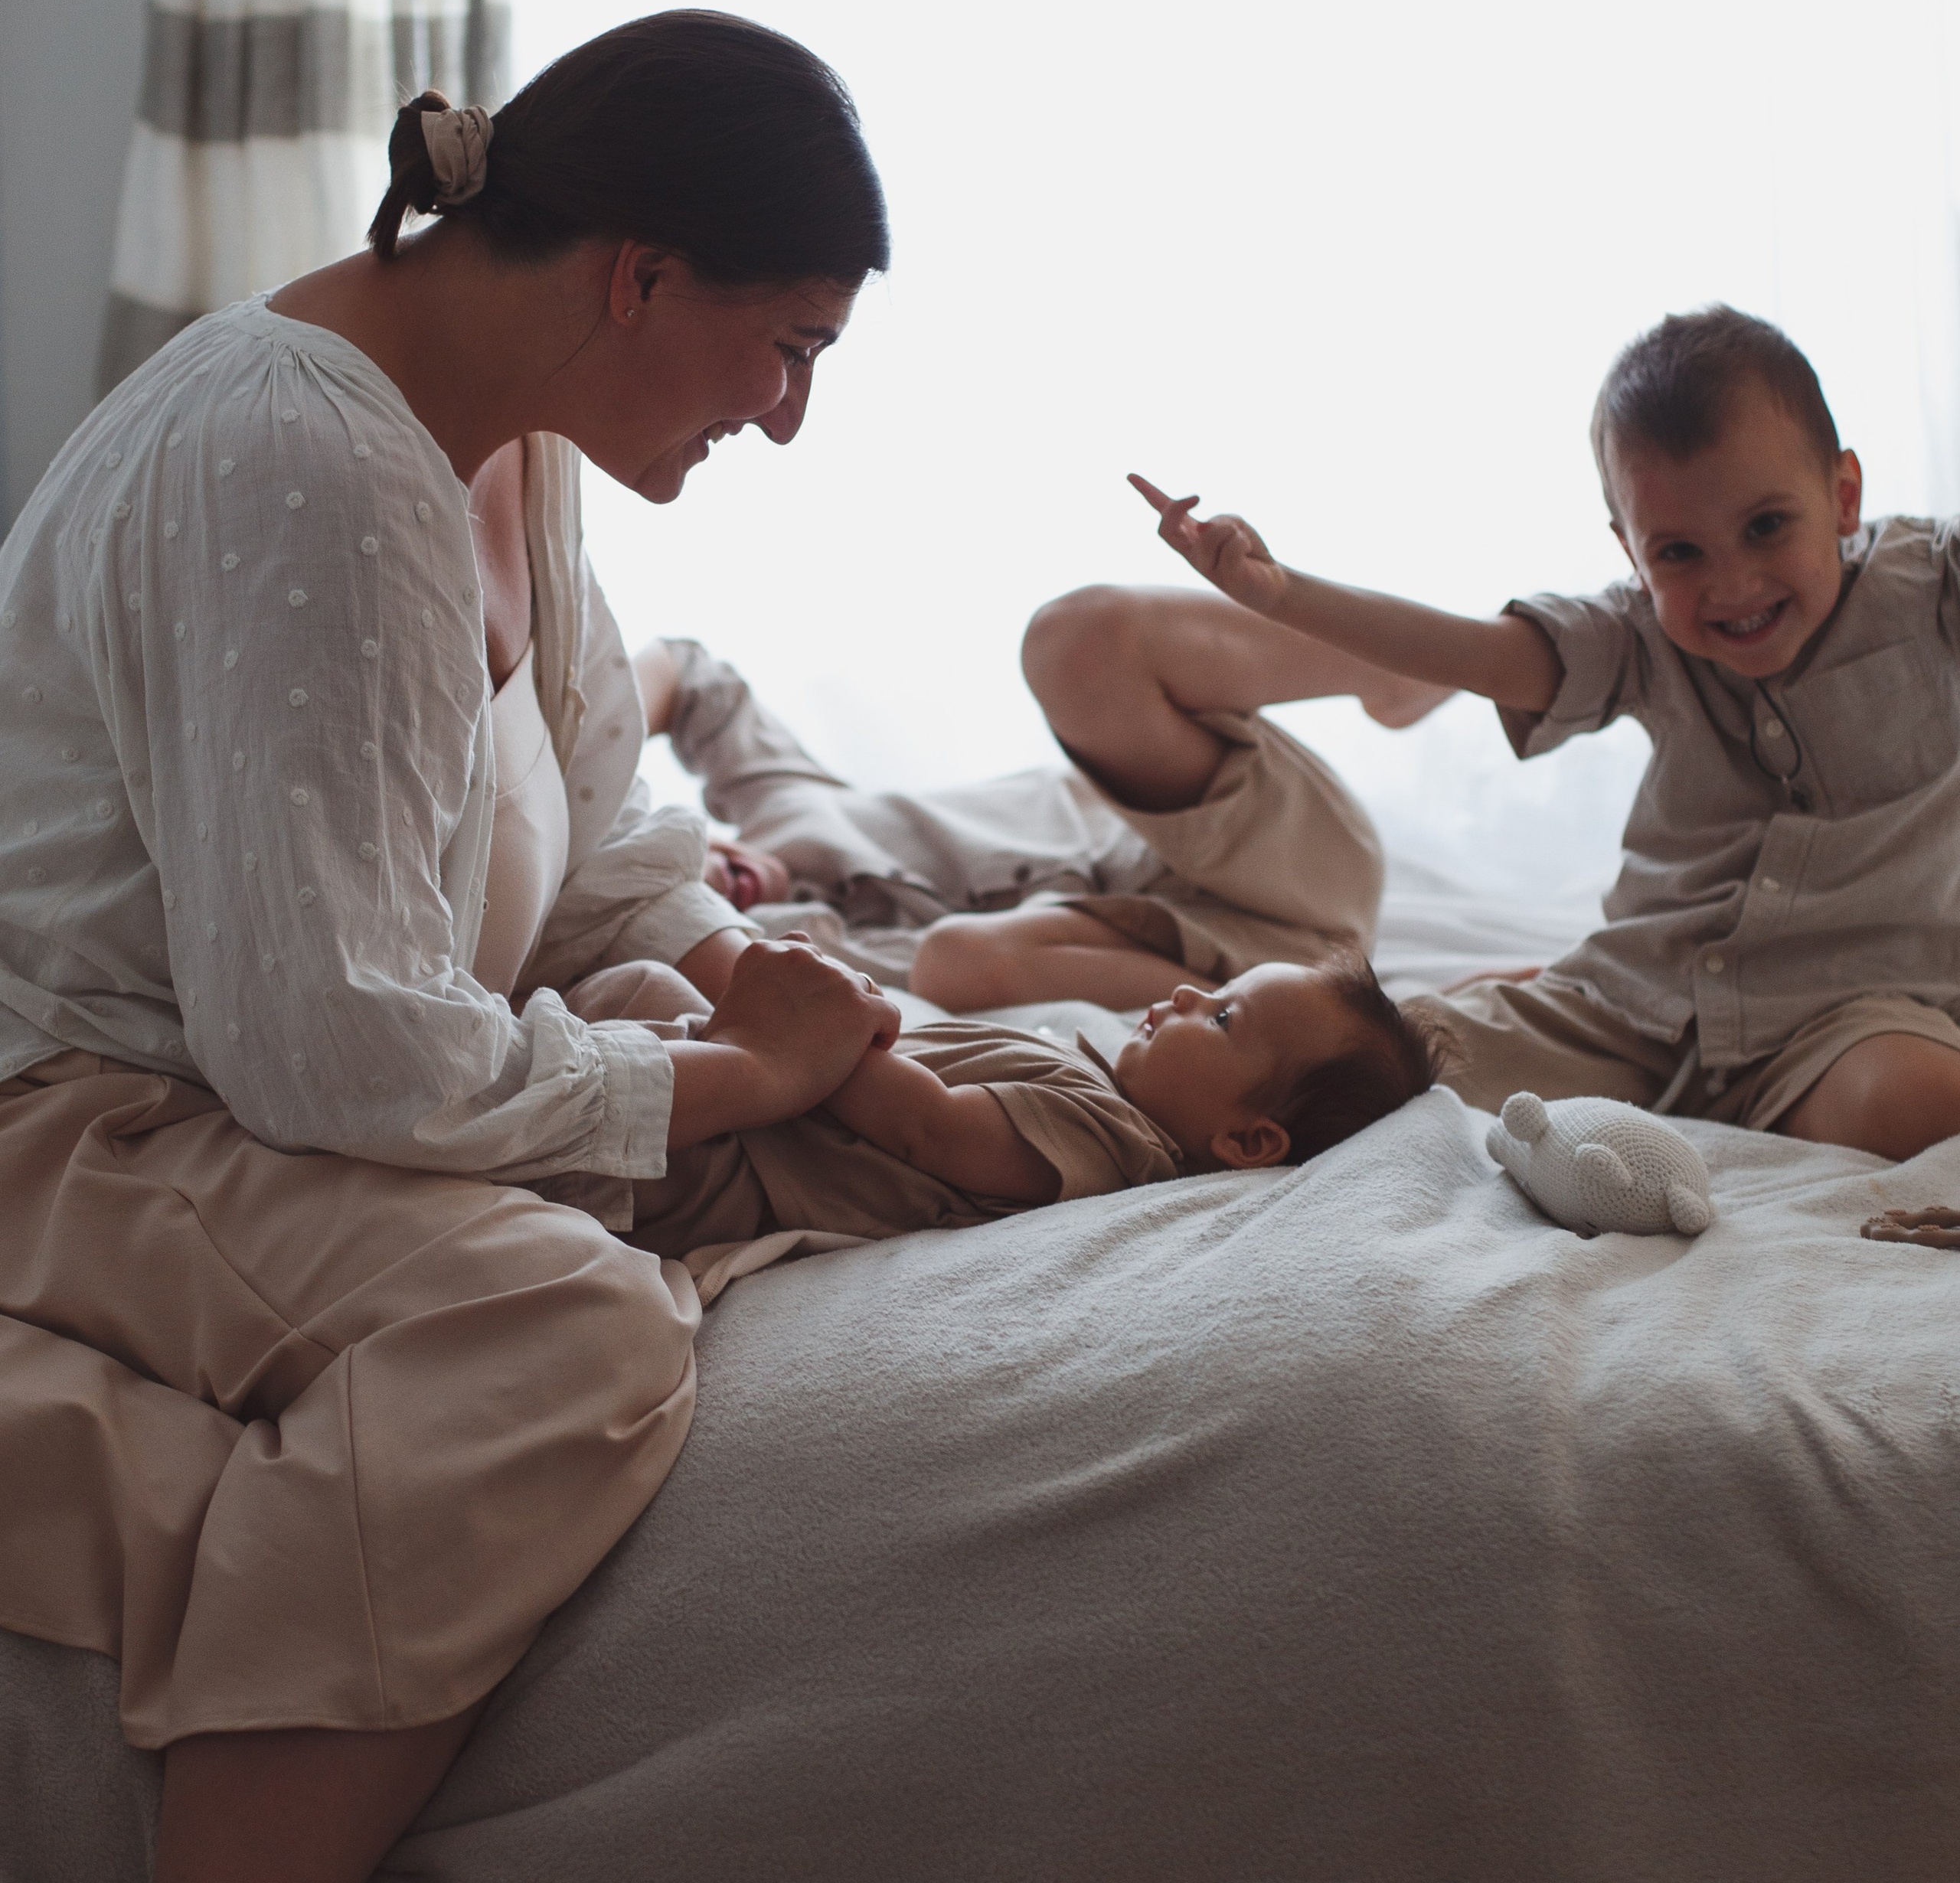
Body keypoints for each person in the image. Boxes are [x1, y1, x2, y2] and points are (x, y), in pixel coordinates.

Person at [0, 11, 900, 1883]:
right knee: (569, 1327)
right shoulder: (297, 458)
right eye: (784, 349)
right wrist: (708, 1072)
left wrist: (761, 1000)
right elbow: (328, 1055)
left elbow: (592, 853)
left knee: (806, 1141)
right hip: (90, 1116)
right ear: (639, 277)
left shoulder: (512, 448)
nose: (781, 415)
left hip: (272, 1084)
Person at [1133, 303, 1960, 1163]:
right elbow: (1478, 654)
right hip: (1626, 1005)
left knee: (1910, 1101)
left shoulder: (1933, 585)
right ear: (1631, 551)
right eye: (1678, 552)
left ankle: (1773, 1112)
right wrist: (1284, 593)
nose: (1731, 583)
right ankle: (1079, 1119)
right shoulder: (1637, 634)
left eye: (1765, 527)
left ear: (1843, 496)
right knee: (1348, 1069)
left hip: (1847, 1018)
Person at [633, 603, 1448, 1013]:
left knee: (1076, 641)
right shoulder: (769, 964)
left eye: (680, 851)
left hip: (1265, 858)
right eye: (680, 887)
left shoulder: (780, 802)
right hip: (1243, 974)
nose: (704, 875)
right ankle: (1332, 1015)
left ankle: (1397, 665)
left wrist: (580, 762)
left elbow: (686, 668)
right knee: (958, 960)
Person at [565, 951, 1442, 1278]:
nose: (1183, 992)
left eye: (1221, 1016)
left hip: (731, 1168)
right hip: (764, 1105)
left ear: (1248, 1140)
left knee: (609, 1064)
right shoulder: (1097, 1076)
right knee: (641, 983)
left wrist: (839, 1025)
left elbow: (931, 1126)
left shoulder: (1118, 1145)